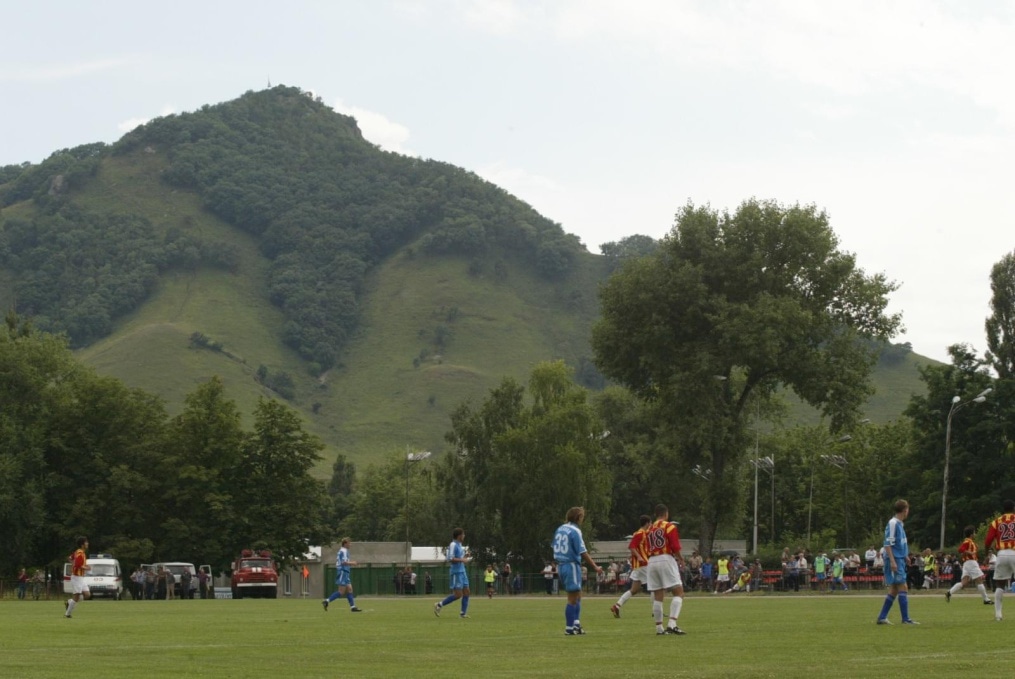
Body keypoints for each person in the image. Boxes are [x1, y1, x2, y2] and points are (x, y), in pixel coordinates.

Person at [552, 506, 603, 635]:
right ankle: (569, 628)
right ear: (578, 517)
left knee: (578, 594)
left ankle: (576, 624)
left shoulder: (560, 529)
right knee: (572, 598)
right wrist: (595, 567)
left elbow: (554, 546)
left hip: (561, 564)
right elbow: (582, 551)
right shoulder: (575, 531)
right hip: (571, 565)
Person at [644, 504, 687, 635]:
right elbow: (675, 545)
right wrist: (681, 559)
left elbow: (646, 546)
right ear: (666, 513)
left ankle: (659, 628)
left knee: (658, 595)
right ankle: (672, 623)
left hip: (651, 561)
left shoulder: (649, 529)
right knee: (678, 592)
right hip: (665, 558)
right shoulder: (669, 526)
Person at [876, 499, 918, 625]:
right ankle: (905, 619)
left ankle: (882, 617)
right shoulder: (893, 523)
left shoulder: (899, 523)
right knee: (902, 586)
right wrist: (893, 561)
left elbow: (898, 543)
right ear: (905, 510)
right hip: (894, 559)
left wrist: (905, 555)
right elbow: (888, 544)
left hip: (899, 558)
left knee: (894, 588)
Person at [611, 514, 651, 618]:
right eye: (650, 523)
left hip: (638, 566)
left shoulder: (642, 533)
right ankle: (656, 611)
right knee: (654, 586)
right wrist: (639, 557)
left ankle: (617, 606)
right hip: (643, 564)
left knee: (634, 590)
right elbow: (632, 547)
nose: (650, 525)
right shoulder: (639, 534)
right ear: (647, 523)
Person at [945, 525, 993, 605]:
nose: (975, 534)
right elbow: (960, 549)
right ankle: (986, 599)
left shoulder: (970, 542)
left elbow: (963, 550)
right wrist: (969, 552)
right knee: (979, 580)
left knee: (964, 583)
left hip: (967, 563)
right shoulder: (968, 541)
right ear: (971, 534)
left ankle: (949, 592)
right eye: (974, 532)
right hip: (971, 563)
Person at [984, 499, 1015, 622]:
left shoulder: (996, 521)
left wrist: (987, 554)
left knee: (1000, 584)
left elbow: (988, 540)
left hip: (1001, 554)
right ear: (1013, 508)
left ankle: (998, 615)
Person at [434, 528, 471, 618]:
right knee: (458, 595)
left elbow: (459, 558)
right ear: (459, 536)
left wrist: (465, 556)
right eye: (463, 534)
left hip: (462, 571)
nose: (464, 536)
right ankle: (439, 605)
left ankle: (462, 614)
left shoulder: (459, 545)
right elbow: (450, 559)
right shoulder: (453, 544)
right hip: (456, 572)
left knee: (467, 592)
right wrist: (462, 559)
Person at [322, 537, 363, 612]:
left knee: (350, 589)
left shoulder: (343, 550)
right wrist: (352, 563)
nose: (350, 545)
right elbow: (343, 562)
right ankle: (327, 601)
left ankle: (353, 607)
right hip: (342, 572)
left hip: (345, 572)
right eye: (349, 543)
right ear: (345, 544)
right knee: (341, 591)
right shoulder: (343, 551)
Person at [65, 536, 91, 618]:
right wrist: (86, 567)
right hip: (76, 577)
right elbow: (78, 565)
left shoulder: (78, 552)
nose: (87, 543)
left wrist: (74, 564)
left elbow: (69, 558)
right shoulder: (80, 553)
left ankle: (70, 602)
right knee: (77, 596)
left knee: (87, 594)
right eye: (86, 542)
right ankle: (67, 614)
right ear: (82, 544)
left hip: (81, 577)